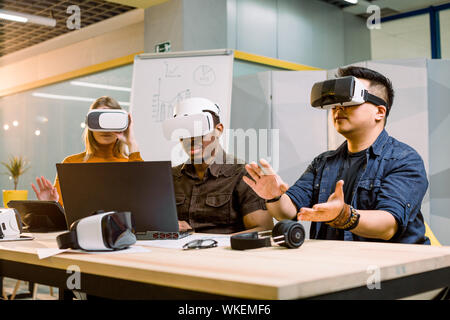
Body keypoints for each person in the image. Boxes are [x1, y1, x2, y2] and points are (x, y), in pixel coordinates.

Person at [244, 66, 430, 244]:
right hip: (336, 264)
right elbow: (287, 212)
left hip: (391, 268)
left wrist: (344, 216)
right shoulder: (324, 162)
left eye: (349, 101)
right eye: (334, 103)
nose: (338, 108)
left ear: (379, 112)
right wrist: (274, 196)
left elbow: (387, 226)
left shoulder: (404, 159)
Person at [164, 97, 274, 234]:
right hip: (173, 253)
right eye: (184, 134)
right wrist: (167, 227)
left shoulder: (242, 174)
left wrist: (201, 240)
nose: (191, 141)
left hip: (222, 254)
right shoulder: (171, 177)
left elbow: (264, 229)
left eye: (200, 133)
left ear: (219, 130)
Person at [32, 96, 142, 205]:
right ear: (90, 125)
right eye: (98, 120)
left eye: (110, 121)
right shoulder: (71, 164)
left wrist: (131, 142)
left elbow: (143, 197)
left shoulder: (130, 164)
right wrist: (52, 204)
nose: (105, 129)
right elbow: (62, 218)